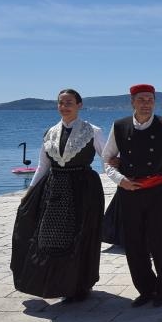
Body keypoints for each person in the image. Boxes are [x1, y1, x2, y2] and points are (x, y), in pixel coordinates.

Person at [11, 89, 105, 303]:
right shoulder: (50, 132)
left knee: (81, 235)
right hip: (54, 189)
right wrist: (30, 192)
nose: (64, 106)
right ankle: (56, 283)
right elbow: (43, 165)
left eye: (69, 102)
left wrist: (122, 180)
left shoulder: (93, 131)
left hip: (84, 189)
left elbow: (107, 158)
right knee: (50, 237)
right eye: (61, 103)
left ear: (79, 105)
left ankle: (80, 286)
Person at [102, 84, 162, 308]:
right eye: (141, 99)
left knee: (158, 240)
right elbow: (107, 159)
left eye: (150, 99)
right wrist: (120, 180)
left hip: (157, 191)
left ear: (154, 102)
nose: (146, 104)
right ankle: (145, 289)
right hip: (129, 191)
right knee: (133, 242)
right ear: (132, 102)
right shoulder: (119, 126)